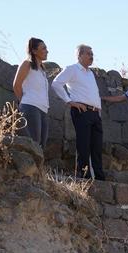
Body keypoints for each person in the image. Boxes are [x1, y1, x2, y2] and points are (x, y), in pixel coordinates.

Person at [51, 44, 105, 180]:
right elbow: (56, 83)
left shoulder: (91, 73)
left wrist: (98, 108)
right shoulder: (72, 69)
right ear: (80, 55)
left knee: (97, 147)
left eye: (92, 54)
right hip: (82, 111)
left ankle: (100, 178)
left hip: (95, 114)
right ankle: (84, 177)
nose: (91, 56)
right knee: (84, 145)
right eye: (88, 54)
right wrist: (70, 101)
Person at [12, 38, 50, 149]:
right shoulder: (26, 64)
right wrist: (25, 101)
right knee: (34, 144)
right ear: (34, 51)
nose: (47, 51)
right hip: (30, 107)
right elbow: (16, 85)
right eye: (43, 48)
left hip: (43, 109)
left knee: (42, 145)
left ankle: (39, 167)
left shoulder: (42, 69)